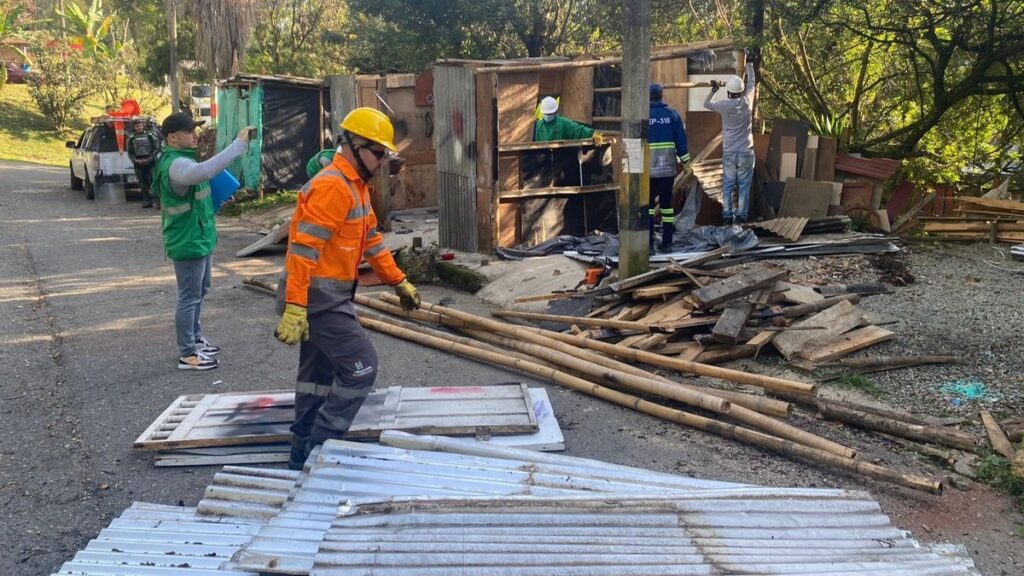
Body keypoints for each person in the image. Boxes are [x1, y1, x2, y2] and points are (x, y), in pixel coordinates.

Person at [274, 107, 421, 470]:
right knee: (361, 368)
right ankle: (321, 445)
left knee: (317, 377)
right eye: (379, 152)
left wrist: (397, 279)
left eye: (385, 152)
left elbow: (371, 240)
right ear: (354, 145)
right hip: (316, 299)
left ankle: (300, 450)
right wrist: (296, 305)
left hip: (326, 297)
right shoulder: (331, 187)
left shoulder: (355, 188)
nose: (384, 159)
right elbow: (302, 252)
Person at [151, 112, 254, 370]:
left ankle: (195, 339)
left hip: (200, 236)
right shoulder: (175, 164)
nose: (194, 135)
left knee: (201, 290)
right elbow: (204, 171)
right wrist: (238, 145)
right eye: (189, 132)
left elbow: (200, 185)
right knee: (189, 296)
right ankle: (188, 353)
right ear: (172, 137)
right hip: (187, 240)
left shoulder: (183, 159)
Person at [704, 59, 756, 224]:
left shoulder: (724, 105)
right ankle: (741, 216)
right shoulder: (747, 102)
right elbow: (752, 83)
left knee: (728, 186)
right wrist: (750, 65)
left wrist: (713, 90)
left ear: (728, 92)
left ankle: (727, 216)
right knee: (744, 186)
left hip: (729, 153)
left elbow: (706, 104)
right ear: (741, 91)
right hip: (746, 152)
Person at [648, 83, 691, 253]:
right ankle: (667, 243)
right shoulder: (673, 115)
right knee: (667, 206)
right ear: (661, 95)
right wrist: (686, 163)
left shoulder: (643, 116)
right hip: (667, 169)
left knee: (649, 207)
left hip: (648, 170)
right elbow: (681, 142)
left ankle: (649, 245)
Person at [534, 96, 603, 143]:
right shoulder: (537, 126)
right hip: (541, 159)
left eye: (550, 113)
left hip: (559, 158)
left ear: (555, 111)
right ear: (542, 113)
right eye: (546, 114)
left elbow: (577, 130)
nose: (548, 116)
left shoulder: (563, 123)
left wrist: (592, 134)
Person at [126, 119, 161, 208]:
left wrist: (149, 159)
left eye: (140, 125)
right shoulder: (131, 137)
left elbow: (156, 148)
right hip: (138, 163)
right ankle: (147, 201)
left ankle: (158, 201)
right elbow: (129, 151)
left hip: (151, 161)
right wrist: (135, 160)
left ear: (143, 125)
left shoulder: (150, 135)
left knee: (154, 181)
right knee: (142, 182)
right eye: (137, 126)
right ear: (134, 127)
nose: (139, 128)